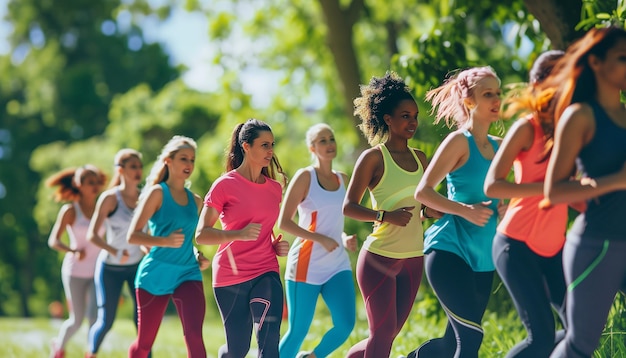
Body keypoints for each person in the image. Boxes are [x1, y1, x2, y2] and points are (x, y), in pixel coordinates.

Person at [538, 26, 626, 358]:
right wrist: (616, 181)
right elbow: (554, 191)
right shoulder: (580, 116)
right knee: (580, 345)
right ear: (596, 63)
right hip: (597, 245)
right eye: (622, 58)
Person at [408, 66, 503, 358]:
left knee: (452, 345)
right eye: (488, 94)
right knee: (471, 339)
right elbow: (423, 192)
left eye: (498, 92)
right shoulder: (459, 141)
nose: (496, 99)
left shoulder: (502, 147)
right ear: (470, 100)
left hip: (484, 257)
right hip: (449, 250)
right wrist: (465, 210)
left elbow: (507, 194)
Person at [483, 51, 569, 357]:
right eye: (554, 77)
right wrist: (549, 189)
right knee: (541, 338)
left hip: (554, 246)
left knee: (581, 329)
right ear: (536, 83)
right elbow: (492, 184)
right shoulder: (526, 128)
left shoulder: (569, 128)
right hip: (516, 245)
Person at [343, 71, 430, 358]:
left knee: (386, 337)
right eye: (405, 116)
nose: (413, 122)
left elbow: (426, 204)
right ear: (388, 120)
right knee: (380, 336)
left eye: (415, 115)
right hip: (379, 258)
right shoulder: (373, 158)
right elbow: (349, 207)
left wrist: (434, 211)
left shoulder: (422, 158)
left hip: (414, 258)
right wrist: (386, 216)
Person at [195, 118, 289, 358]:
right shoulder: (224, 185)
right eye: (264, 145)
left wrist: (275, 245)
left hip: (265, 270)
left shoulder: (274, 188)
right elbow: (202, 234)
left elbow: (265, 228)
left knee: (269, 345)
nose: (271, 151)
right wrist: (238, 234)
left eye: (272, 145)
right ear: (246, 146)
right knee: (238, 350)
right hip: (231, 275)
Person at [278, 123, 357, 358]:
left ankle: (311, 357)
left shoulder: (343, 179)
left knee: (345, 326)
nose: (329, 144)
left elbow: (334, 222)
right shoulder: (305, 177)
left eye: (331, 138)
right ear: (312, 147)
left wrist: (343, 238)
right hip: (306, 264)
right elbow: (284, 222)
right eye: (322, 140)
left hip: (337, 264)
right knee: (298, 331)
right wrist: (319, 238)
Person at [126, 136, 206, 358]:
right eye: (183, 158)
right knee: (144, 344)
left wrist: (198, 255)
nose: (189, 164)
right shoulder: (157, 193)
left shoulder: (196, 201)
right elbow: (133, 235)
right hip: (156, 274)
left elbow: (189, 239)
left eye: (192, 159)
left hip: (188, 272)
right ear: (168, 161)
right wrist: (164, 241)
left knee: (194, 336)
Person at [84, 149, 146, 358]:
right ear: (120, 170)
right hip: (109, 267)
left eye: (139, 166)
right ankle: (91, 353)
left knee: (142, 319)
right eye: (132, 167)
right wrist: (115, 250)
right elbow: (93, 235)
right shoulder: (110, 199)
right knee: (107, 320)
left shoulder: (146, 197)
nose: (138, 171)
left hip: (136, 267)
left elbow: (149, 233)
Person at [46, 165, 107, 358]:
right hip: (75, 272)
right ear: (78, 185)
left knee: (95, 317)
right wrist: (72, 250)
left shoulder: (103, 208)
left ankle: (91, 354)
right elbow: (53, 240)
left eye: (97, 182)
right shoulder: (70, 211)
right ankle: (58, 348)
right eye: (90, 182)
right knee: (77, 319)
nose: (95, 186)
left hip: (97, 271)